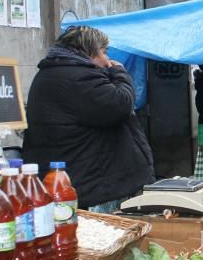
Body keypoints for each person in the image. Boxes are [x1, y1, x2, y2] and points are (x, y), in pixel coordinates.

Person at [23, 25, 155, 212]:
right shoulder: (77, 78)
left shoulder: (57, 74)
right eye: (104, 52)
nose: (107, 59)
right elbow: (121, 104)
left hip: (85, 179)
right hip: (93, 186)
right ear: (89, 53)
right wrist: (120, 73)